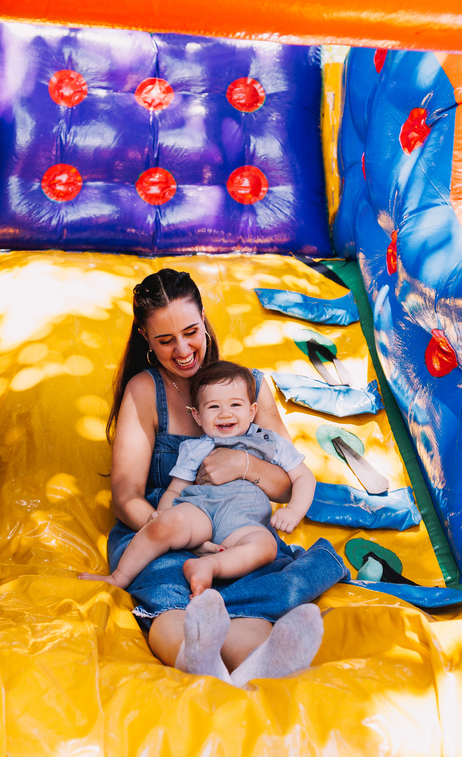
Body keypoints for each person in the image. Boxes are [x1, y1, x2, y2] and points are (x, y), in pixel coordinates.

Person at [102, 268, 347, 686]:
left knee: (250, 599)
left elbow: (287, 482)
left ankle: (262, 662)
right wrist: (176, 532)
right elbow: (126, 494)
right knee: (172, 599)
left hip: (239, 529)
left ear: (204, 320)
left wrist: (245, 467)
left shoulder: (247, 386)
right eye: (165, 340)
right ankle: (196, 656)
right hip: (169, 530)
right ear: (146, 338)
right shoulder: (146, 391)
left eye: (191, 332)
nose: (183, 350)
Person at [81, 360, 316, 597]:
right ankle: (118, 577)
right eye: (214, 407)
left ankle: (208, 566)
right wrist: (161, 514)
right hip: (200, 512)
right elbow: (176, 489)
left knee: (265, 546)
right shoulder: (195, 448)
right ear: (198, 416)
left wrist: (293, 511)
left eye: (236, 404)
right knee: (163, 526)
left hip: (244, 521)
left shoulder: (269, 442)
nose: (226, 413)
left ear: (252, 411)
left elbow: (304, 477)